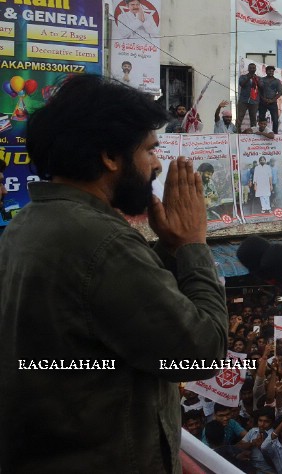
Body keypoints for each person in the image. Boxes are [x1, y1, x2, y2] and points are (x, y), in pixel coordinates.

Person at [0, 74, 228, 472]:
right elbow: (197, 356)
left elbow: (114, 308)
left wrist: (170, 249)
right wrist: (193, 245)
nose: (157, 164)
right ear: (110, 156)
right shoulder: (100, 241)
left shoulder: (28, 223)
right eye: (150, 150)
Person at [259, 66, 282, 134]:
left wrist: (272, 100)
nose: (270, 72)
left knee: (275, 119)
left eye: (272, 71)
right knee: (261, 118)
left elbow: (280, 92)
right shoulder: (262, 79)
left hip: (273, 102)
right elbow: (259, 91)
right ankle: (261, 132)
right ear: (266, 72)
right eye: (269, 71)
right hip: (263, 102)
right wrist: (263, 99)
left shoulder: (277, 81)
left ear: (273, 72)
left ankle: (275, 134)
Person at [238, 63, 261, 131]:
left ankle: (253, 132)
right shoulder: (243, 77)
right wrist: (249, 78)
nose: (252, 69)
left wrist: (256, 79)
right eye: (250, 68)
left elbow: (261, 86)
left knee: (253, 118)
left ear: (255, 69)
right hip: (243, 100)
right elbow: (241, 84)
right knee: (240, 117)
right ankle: (237, 131)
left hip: (254, 101)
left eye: (253, 68)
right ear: (248, 69)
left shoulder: (259, 78)